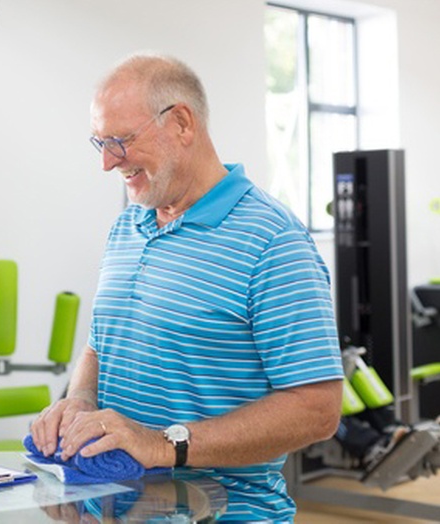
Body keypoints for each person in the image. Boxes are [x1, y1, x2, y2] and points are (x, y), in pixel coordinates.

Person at [30, 53, 344, 522]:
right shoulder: (126, 226)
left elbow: (317, 409)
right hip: (113, 510)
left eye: (120, 140)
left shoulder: (272, 241)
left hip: (225, 512)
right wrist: (79, 400)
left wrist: (164, 444)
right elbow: (102, 343)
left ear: (181, 122)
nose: (107, 162)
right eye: (99, 142)